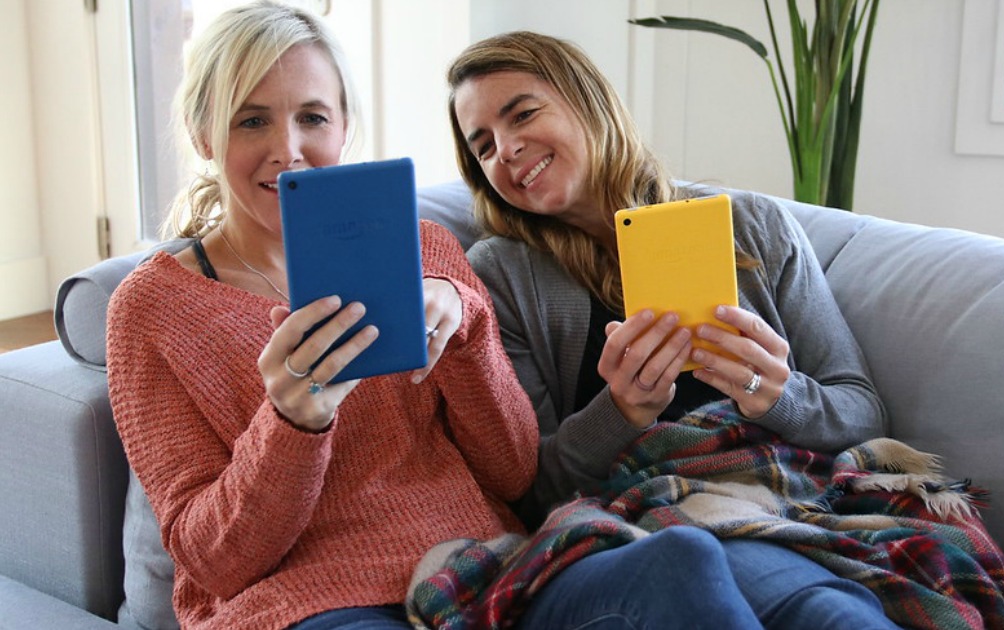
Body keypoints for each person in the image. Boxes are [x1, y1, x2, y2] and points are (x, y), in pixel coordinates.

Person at [107, 4, 793, 629]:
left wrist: (466, 326)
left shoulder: (428, 252)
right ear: (203, 134)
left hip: (481, 567)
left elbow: (515, 475)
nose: (288, 147)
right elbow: (214, 563)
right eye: (250, 119)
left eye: (312, 117)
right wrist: (292, 422)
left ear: (344, 128)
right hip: (310, 601)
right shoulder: (152, 309)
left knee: (683, 562)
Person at [448, 30, 900, 629]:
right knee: (814, 607)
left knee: (829, 614)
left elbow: (862, 411)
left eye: (523, 114)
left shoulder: (752, 224)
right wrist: (621, 410)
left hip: (781, 494)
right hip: (645, 520)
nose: (505, 148)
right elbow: (528, 489)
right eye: (483, 146)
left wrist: (777, 395)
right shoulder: (500, 272)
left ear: (589, 101)